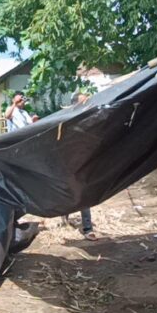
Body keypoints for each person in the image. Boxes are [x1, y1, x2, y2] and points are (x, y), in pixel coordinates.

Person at [61, 91, 98, 241]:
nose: (86, 103)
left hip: (83, 160)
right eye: (83, 101)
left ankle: (88, 228)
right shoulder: (66, 119)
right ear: (76, 103)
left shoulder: (89, 118)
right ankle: (64, 216)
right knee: (69, 191)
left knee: (84, 193)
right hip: (69, 161)